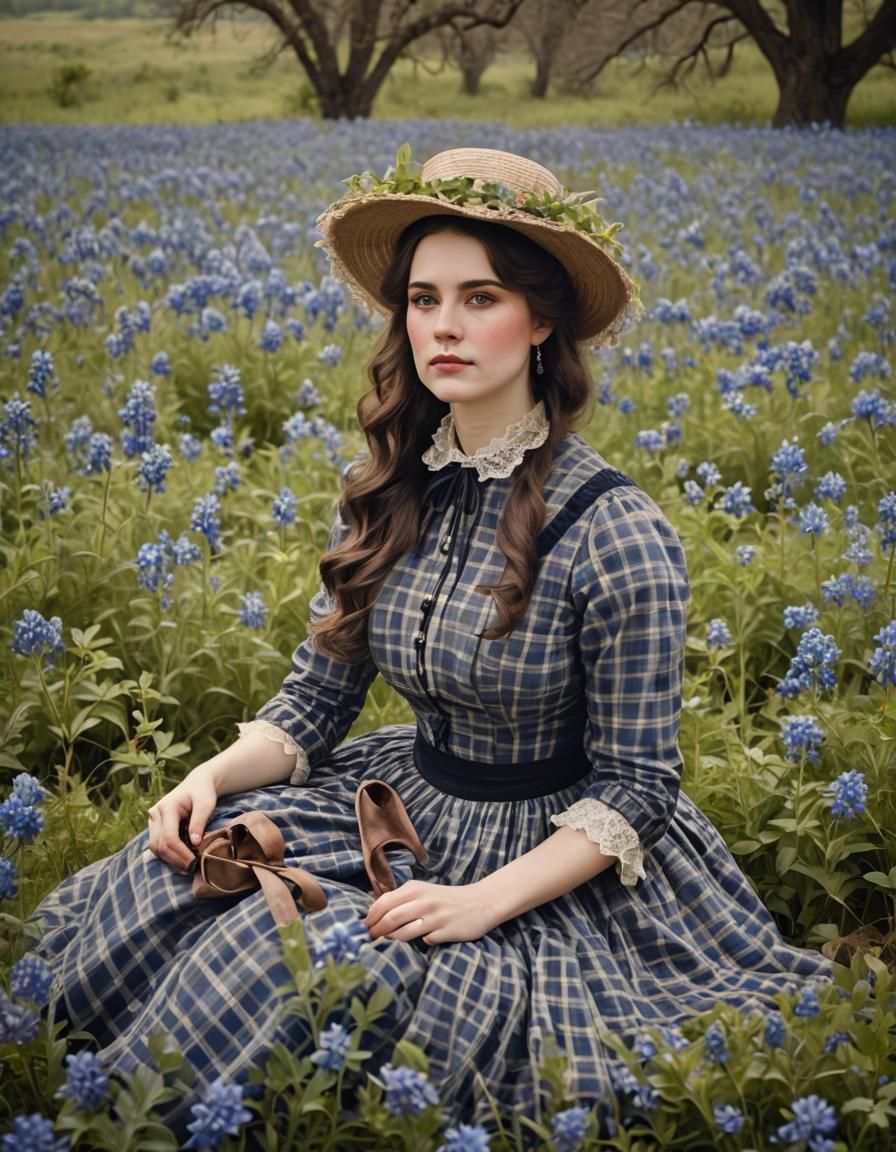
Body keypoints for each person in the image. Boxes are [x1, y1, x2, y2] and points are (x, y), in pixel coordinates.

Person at [33, 146, 832, 1132]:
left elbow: (635, 785)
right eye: (421, 299)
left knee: (436, 1017)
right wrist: (210, 774)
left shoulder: (616, 533)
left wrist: (483, 901)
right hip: (407, 799)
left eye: (479, 296)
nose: (441, 326)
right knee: (193, 892)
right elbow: (316, 701)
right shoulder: (395, 488)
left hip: (556, 849)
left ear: (542, 321)